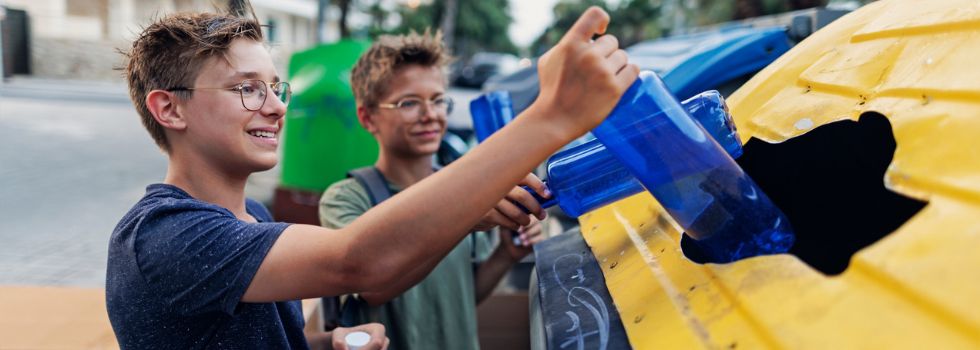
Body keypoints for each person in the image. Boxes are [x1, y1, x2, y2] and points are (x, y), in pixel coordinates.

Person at [105, 5, 638, 350]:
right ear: (169, 110)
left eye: (276, 89)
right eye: (247, 89)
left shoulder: (255, 219)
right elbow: (357, 262)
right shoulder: (164, 235)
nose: (275, 108)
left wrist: (328, 344)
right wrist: (550, 117)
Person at [319, 30, 546, 350]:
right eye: (409, 102)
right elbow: (372, 287)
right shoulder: (347, 198)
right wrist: (463, 214)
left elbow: (464, 296)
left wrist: (505, 255)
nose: (430, 115)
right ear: (368, 117)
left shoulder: (465, 188)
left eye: (438, 100)